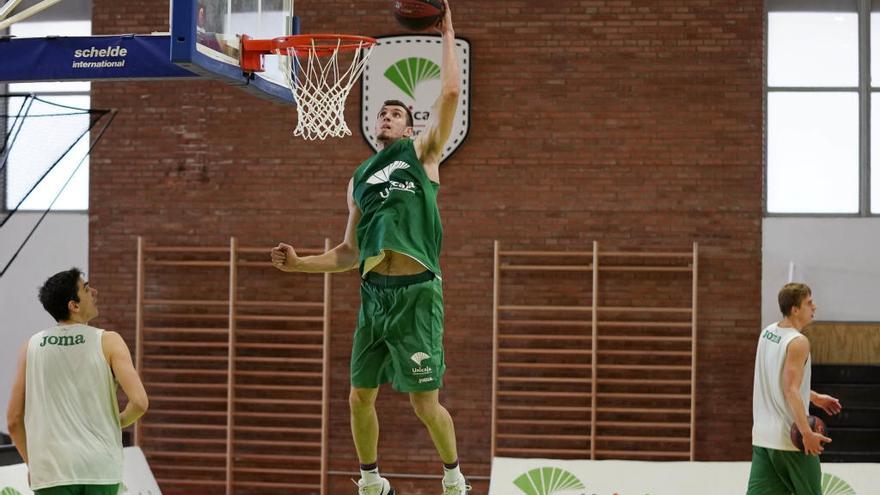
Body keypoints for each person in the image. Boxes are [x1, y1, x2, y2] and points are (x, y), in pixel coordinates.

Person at [270, 1, 468, 493]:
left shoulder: (421, 156)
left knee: (424, 404)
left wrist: (447, 32)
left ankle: (453, 476)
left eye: (396, 112)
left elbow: (449, 91)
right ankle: (371, 480)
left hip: (417, 295)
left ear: (408, 127)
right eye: (382, 110)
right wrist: (299, 266)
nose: (386, 115)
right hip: (374, 297)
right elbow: (346, 252)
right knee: (359, 396)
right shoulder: (358, 179)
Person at [6, 268, 149, 495]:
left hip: (52, 472)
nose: (95, 291)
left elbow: (13, 421)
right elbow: (140, 403)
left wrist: (33, 465)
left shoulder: (30, 347)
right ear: (74, 305)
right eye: (86, 288)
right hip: (100, 467)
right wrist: (114, 422)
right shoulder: (110, 341)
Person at [747, 283, 843, 495]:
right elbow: (790, 389)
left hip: (764, 439)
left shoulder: (767, 333)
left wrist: (814, 397)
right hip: (790, 441)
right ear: (795, 309)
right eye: (809, 303)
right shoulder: (798, 342)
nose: (814, 307)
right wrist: (806, 433)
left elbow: (777, 383)